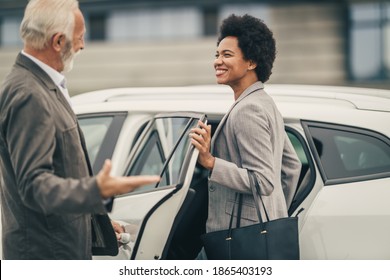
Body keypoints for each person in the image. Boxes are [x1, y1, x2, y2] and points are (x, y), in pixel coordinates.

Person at [0, 0, 160, 260]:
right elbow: (34, 186)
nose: (82, 45)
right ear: (58, 41)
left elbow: (60, 177)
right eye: (80, 37)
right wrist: (98, 189)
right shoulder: (28, 93)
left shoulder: (39, 85)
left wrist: (97, 225)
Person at [190, 14, 302, 259]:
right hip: (260, 233)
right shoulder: (265, 102)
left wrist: (211, 162)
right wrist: (274, 213)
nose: (217, 61)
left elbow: (262, 180)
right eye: (217, 55)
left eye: (226, 55)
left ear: (251, 62)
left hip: (239, 235)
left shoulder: (247, 110)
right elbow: (291, 167)